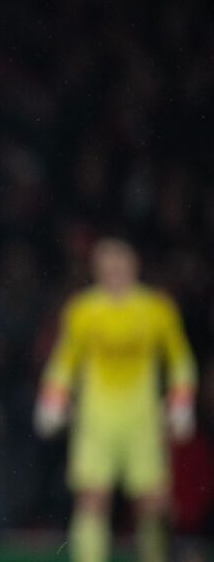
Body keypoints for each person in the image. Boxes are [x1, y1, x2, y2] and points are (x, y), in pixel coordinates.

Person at [34, 237, 197, 562]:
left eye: (120, 266)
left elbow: (180, 360)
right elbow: (64, 363)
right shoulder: (82, 310)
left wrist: (181, 402)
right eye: (107, 267)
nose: (115, 273)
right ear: (97, 270)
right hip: (96, 421)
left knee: (152, 504)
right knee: (92, 499)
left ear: (134, 266)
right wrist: (51, 400)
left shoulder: (156, 309)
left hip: (143, 421)